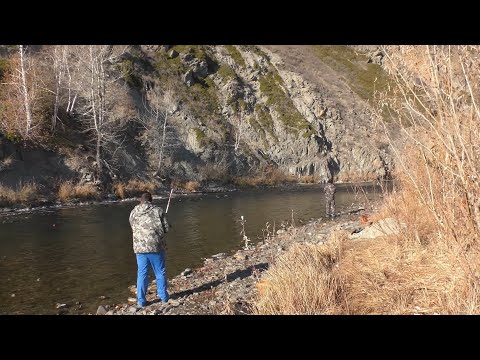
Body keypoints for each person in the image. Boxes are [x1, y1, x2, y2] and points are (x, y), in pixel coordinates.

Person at [129, 192, 170, 307]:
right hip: (156, 246)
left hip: (139, 248)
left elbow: (133, 226)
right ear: (151, 200)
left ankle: (141, 301)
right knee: (160, 272)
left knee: (142, 273)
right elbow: (166, 229)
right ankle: (163, 298)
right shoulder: (158, 210)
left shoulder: (133, 212)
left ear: (140, 200)